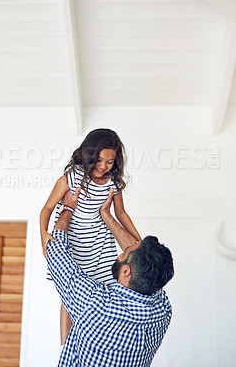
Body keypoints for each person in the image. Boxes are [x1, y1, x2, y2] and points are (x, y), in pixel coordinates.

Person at [47, 187, 174, 367]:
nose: (122, 252)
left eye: (125, 252)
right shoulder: (162, 310)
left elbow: (55, 251)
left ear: (126, 272)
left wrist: (67, 209)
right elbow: (141, 257)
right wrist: (106, 214)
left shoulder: (95, 304)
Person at [40, 128, 141, 348]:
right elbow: (47, 208)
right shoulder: (72, 178)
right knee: (69, 295)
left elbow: (121, 213)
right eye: (99, 160)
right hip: (74, 240)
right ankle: (66, 347)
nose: (103, 166)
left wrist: (138, 239)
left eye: (110, 161)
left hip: (100, 241)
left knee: (106, 287)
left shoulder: (114, 183)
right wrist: (43, 237)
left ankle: (100, 342)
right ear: (89, 154)